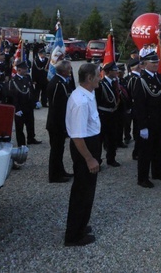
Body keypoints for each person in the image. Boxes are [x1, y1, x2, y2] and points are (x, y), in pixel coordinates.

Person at [64, 62, 103, 247]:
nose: (100, 77)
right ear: (89, 78)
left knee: (88, 191)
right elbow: (78, 136)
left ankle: (81, 225)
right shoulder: (80, 101)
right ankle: (73, 236)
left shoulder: (87, 94)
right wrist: (89, 158)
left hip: (91, 143)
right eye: (98, 75)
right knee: (82, 192)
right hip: (84, 148)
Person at [131, 47, 161, 188]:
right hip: (148, 122)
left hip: (158, 121)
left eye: (156, 62)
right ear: (145, 64)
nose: (155, 64)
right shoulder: (141, 81)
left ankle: (157, 171)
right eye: (152, 62)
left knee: (157, 148)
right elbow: (139, 107)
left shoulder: (158, 77)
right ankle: (142, 178)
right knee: (145, 152)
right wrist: (142, 127)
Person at [46, 60, 74, 182]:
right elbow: (58, 107)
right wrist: (63, 125)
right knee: (56, 150)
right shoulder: (58, 84)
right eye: (69, 69)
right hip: (56, 124)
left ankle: (60, 171)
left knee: (59, 149)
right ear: (63, 71)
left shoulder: (61, 82)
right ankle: (54, 175)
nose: (70, 71)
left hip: (58, 123)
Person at [5, 61, 41, 146]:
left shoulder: (27, 78)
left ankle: (31, 138)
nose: (27, 70)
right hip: (20, 107)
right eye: (25, 69)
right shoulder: (13, 81)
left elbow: (32, 90)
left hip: (28, 106)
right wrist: (16, 109)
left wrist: (36, 101)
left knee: (30, 124)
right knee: (19, 127)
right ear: (19, 70)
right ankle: (21, 143)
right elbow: (13, 97)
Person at [96, 61, 122, 167]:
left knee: (112, 137)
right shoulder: (101, 85)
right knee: (100, 139)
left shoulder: (115, 83)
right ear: (108, 72)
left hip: (113, 114)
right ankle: (97, 160)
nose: (117, 72)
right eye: (114, 70)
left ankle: (111, 158)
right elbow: (97, 101)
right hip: (103, 114)